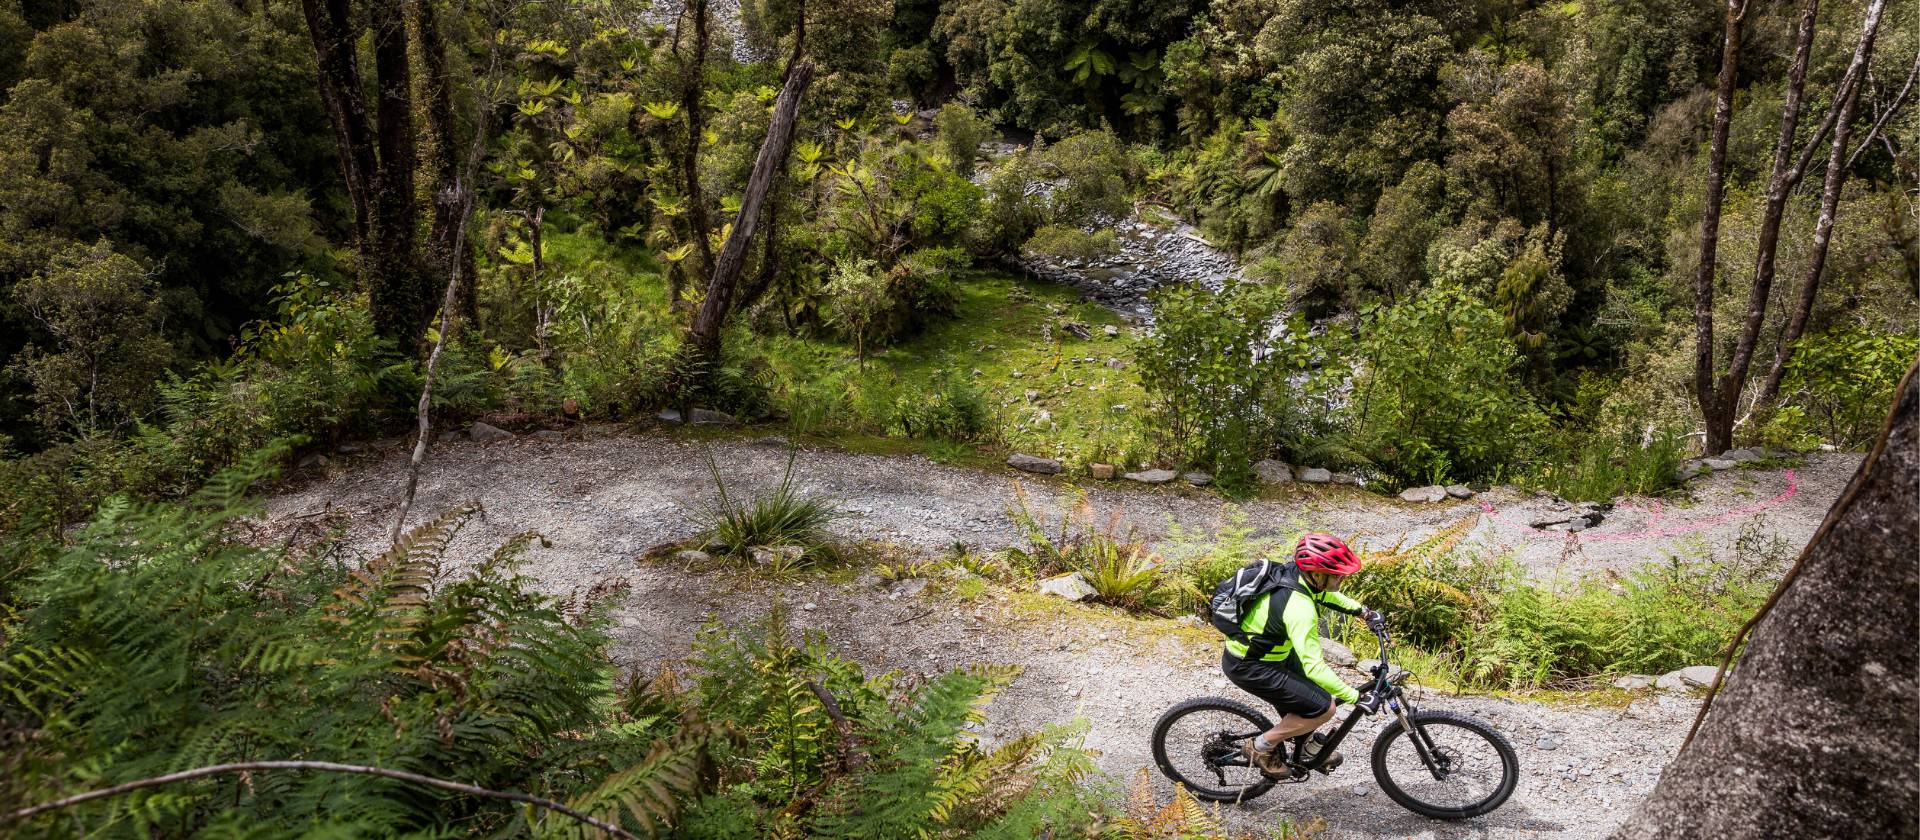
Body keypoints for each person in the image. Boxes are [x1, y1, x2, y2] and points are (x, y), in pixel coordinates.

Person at [1223, 532, 1379, 776]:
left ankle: (1305, 749)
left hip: (1273, 655)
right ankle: (1259, 747)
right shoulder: (1299, 608)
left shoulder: (1298, 575)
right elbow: (1314, 666)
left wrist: (1363, 612)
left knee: (1312, 697)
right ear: (1317, 573)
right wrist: (1354, 697)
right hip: (1251, 665)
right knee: (1325, 708)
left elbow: (1326, 593)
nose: (1342, 578)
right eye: (1336, 574)